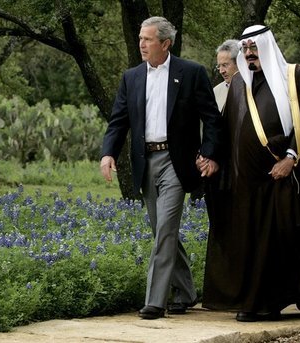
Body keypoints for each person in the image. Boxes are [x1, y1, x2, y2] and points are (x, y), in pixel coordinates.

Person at [199, 25, 300, 322]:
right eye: (245, 50)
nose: (249, 54)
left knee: (281, 238)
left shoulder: (295, 77)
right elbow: (226, 127)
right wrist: (213, 159)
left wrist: (290, 158)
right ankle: (252, 301)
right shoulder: (240, 85)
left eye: (253, 48)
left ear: (266, 47)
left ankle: (273, 300)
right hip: (247, 183)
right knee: (251, 242)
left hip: (281, 177)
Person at [100, 16, 222, 320]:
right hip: (146, 161)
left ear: (165, 44)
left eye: (148, 39)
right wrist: (107, 153)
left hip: (177, 162)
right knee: (161, 231)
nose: (141, 44)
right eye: (141, 38)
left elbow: (212, 118)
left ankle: (155, 300)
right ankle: (186, 291)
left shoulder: (191, 73)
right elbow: (118, 121)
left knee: (166, 228)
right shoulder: (131, 77)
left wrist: (209, 153)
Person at [213, 39, 239, 112]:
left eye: (225, 65)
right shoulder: (216, 92)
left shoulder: (252, 87)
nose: (221, 71)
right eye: (219, 66)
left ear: (238, 62)